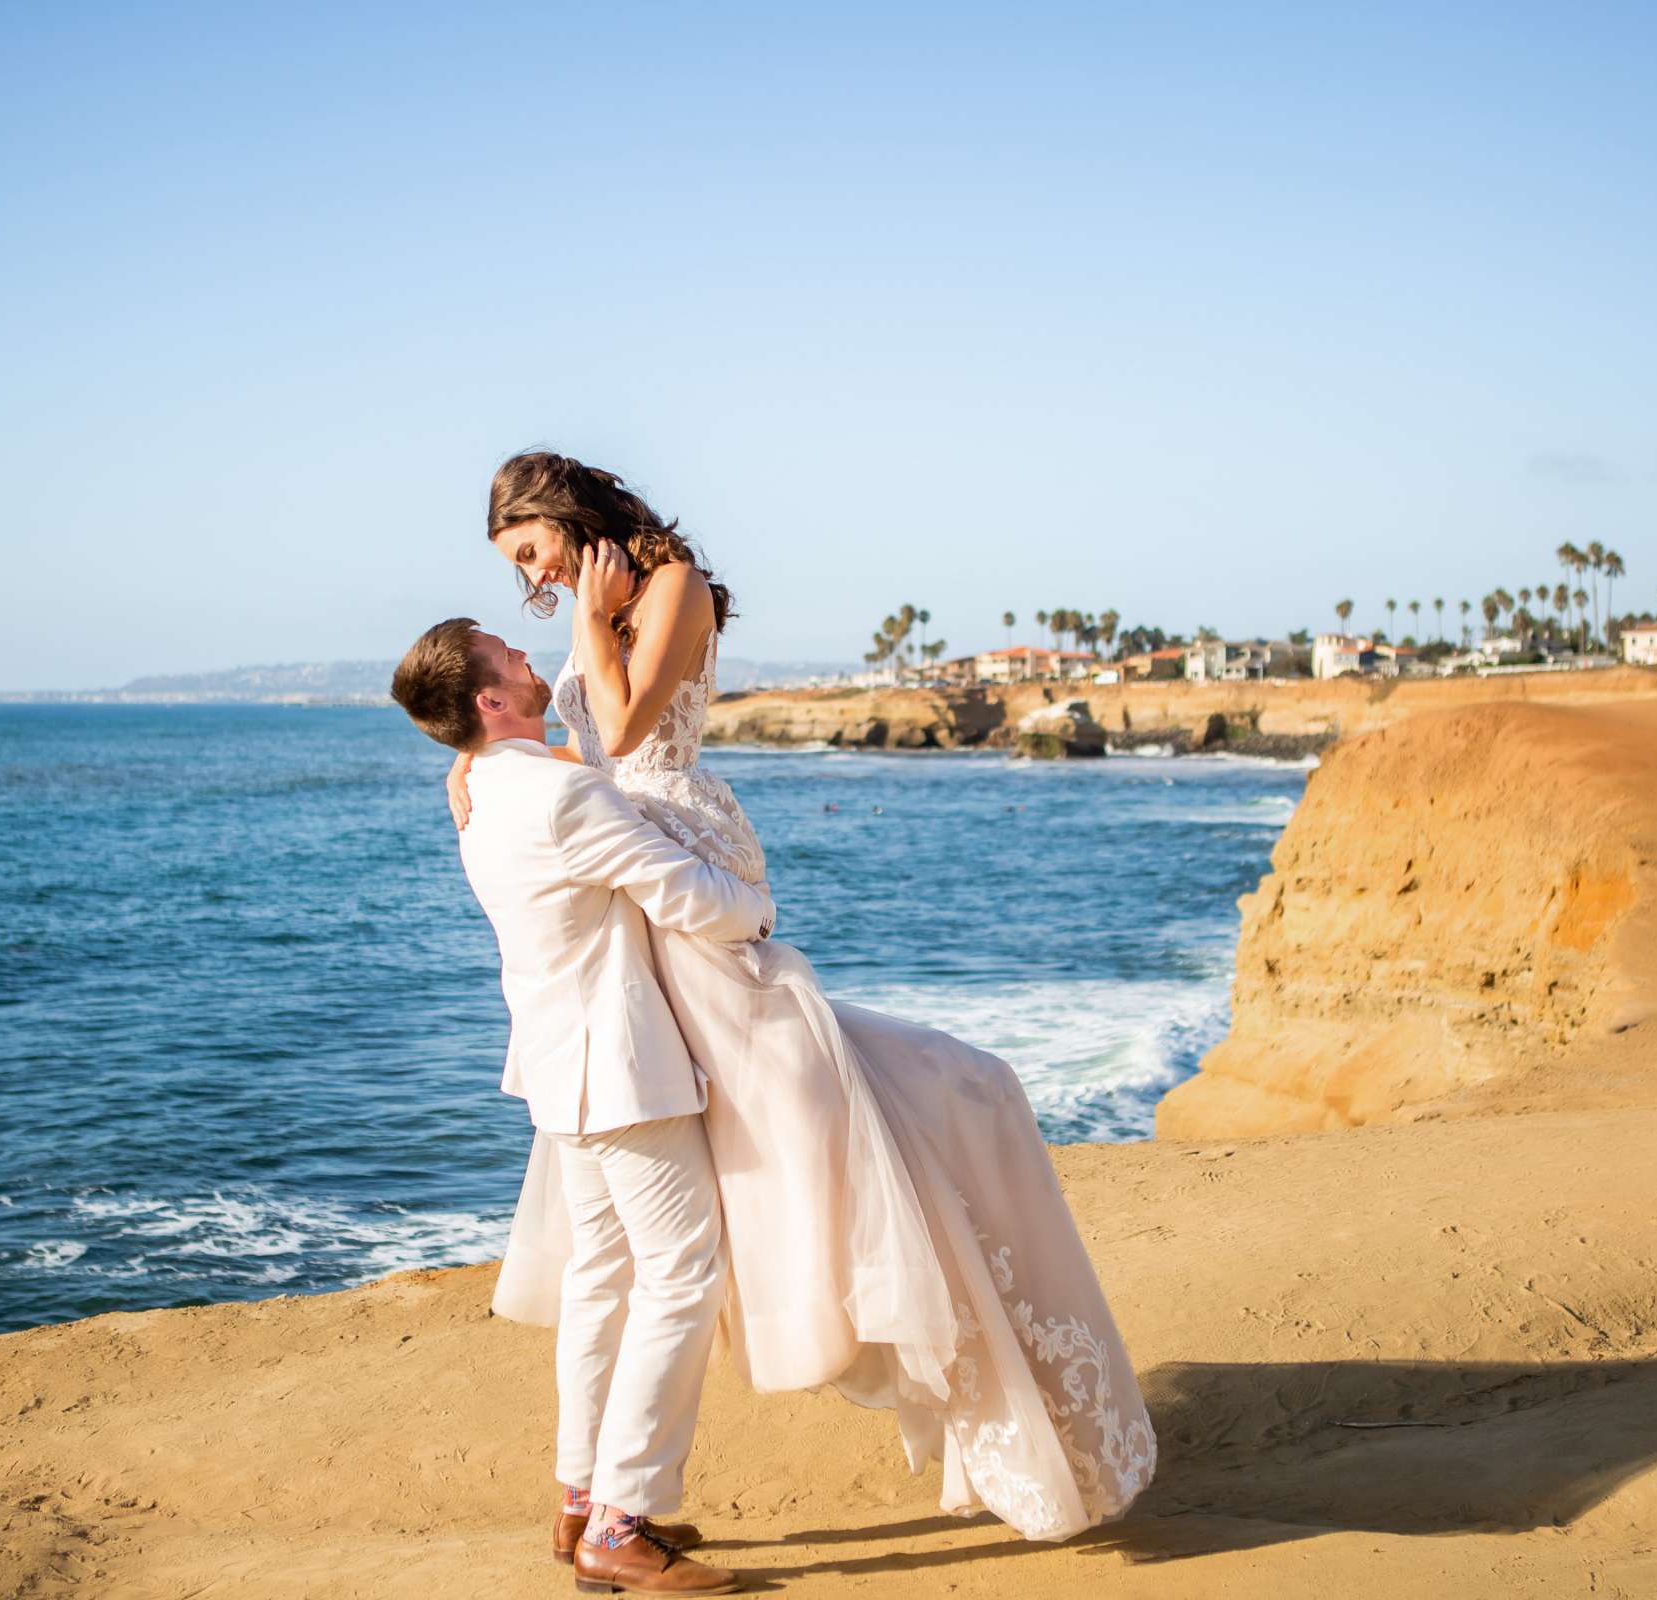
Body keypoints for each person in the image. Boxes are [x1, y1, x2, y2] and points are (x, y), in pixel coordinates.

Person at [458, 451, 1157, 1544]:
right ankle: (598, 1496)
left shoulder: (667, 583)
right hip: (639, 884)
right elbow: (578, 745)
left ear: (562, 515)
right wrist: (485, 761)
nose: (533, 577)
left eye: (529, 549)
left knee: (855, 1102)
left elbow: (632, 729)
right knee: (674, 1198)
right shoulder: (595, 608)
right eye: (519, 566)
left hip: (680, 860)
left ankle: (954, 1358)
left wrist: (591, 627)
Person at [392, 617, 760, 1596]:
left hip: (558, 1072)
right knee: (682, 1275)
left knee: (604, 1278)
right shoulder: (559, 791)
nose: (525, 655)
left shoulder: (479, 798)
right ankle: (620, 1519)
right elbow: (686, 893)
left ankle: (575, 1498)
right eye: (507, 655)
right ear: (488, 700)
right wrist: (758, 907)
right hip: (621, 1070)